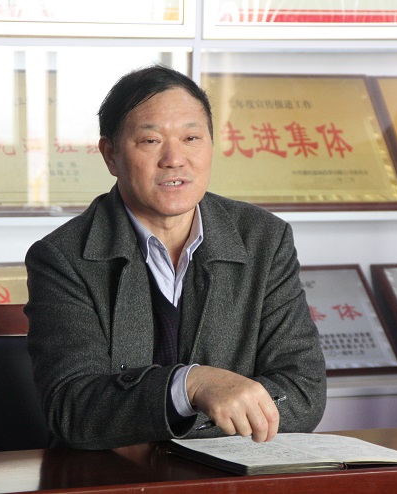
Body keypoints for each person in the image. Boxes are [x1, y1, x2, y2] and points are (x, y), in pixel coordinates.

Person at [24, 64, 326, 450]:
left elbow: (303, 393)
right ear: (111, 155)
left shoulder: (263, 240)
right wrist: (190, 386)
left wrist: (173, 416)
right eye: (150, 140)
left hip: (228, 476)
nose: (174, 158)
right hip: (113, 478)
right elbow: (74, 410)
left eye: (191, 138)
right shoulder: (63, 257)